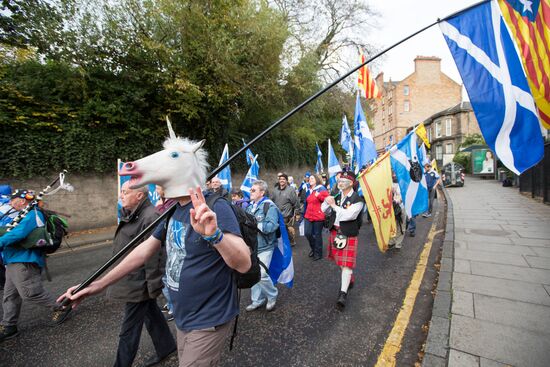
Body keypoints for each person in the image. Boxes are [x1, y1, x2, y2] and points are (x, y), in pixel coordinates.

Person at [59, 184, 250, 365]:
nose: (156, 184)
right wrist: (99, 284)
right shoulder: (173, 209)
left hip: (209, 318)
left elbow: (243, 264)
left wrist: (214, 235)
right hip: (184, 317)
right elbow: (144, 250)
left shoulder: (216, 206)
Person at [107, 182, 176, 367]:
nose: (121, 195)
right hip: (133, 279)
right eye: (121, 191)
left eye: (125, 192)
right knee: (151, 314)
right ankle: (166, 346)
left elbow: (155, 256)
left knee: (129, 329)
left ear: (139, 196)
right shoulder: (135, 214)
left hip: (139, 283)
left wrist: (153, 285)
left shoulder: (151, 216)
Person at [0, 189, 71, 342]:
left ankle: (62, 306)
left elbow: (18, 234)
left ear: (22, 200)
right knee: (10, 296)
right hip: (13, 260)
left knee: (30, 292)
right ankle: (9, 326)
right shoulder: (23, 215)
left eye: (13, 200)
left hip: (25, 260)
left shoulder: (33, 214)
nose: (10, 203)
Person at [322, 172, 364, 309]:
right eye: (339, 180)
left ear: (351, 183)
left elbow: (348, 216)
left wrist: (334, 205)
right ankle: (349, 277)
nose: (339, 182)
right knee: (340, 263)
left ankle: (342, 294)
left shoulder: (358, 199)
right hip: (335, 232)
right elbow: (323, 210)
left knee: (346, 265)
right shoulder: (336, 195)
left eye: (343, 180)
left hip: (348, 234)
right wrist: (327, 202)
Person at [245, 180, 279, 312]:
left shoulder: (269, 207)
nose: (250, 192)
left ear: (262, 192)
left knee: (262, 274)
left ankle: (272, 295)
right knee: (253, 274)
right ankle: (257, 300)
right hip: (252, 247)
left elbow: (271, 226)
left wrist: (255, 224)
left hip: (265, 246)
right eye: (251, 190)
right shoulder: (249, 206)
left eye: (253, 190)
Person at [153, 185, 176, 321]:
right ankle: (172, 304)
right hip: (162, 244)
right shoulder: (163, 202)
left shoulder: (171, 203)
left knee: (168, 279)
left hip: (169, 245)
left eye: (158, 187)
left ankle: (175, 307)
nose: (156, 190)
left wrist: (159, 206)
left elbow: (162, 218)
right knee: (165, 278)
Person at [304, 174, 328, 261]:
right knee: (307, 233)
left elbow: (327, 200)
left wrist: (318, 196)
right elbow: (306, 202)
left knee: (317, 235)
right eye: (309, 178)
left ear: (317, 179)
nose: (310, 180)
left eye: (312, 178)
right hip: (308, 215)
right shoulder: (309, 190)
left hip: (318, 216)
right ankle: (314, 248)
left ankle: (318, 253)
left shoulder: (321, 188)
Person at [270, 173, 299, 247]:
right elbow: (271, 201)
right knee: (278, 230)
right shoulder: (275, 190)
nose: (281, 180)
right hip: (277, 214)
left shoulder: (290, 190)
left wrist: (297, 213)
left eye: (283, 179)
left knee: (288, 230)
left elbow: (295, 202)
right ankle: (281, 243)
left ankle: (291, 241)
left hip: (287, 215)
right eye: (280, 179)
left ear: (286, 181)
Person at [388, 173, 405, 249]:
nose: (394, 175)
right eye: (393, 173)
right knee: (392, 225)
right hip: (392, 208)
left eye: (395, 173)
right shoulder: (390, 183)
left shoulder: (404, 183)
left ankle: (398, 243)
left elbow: (405, 195)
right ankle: (391, 241)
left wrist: (399, 201)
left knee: (401, 226)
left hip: (402, 207)